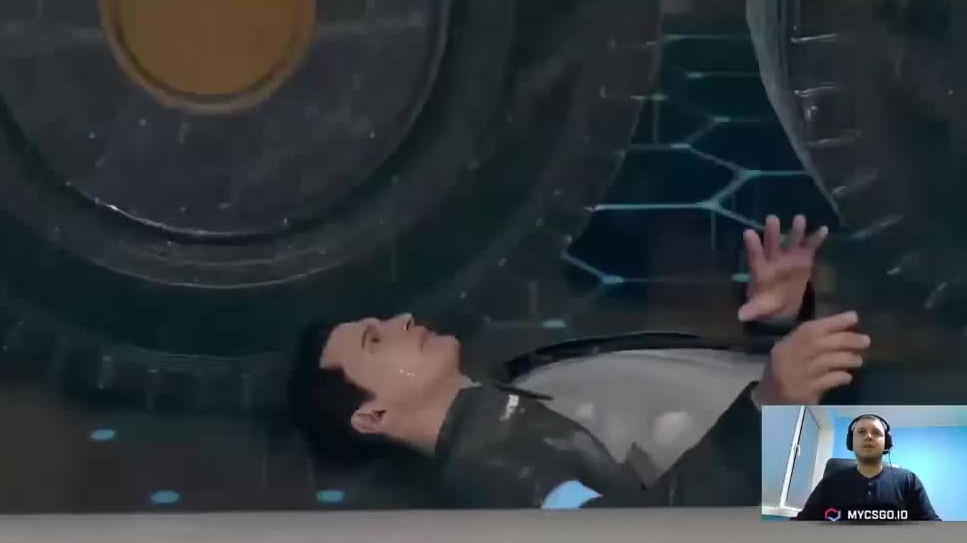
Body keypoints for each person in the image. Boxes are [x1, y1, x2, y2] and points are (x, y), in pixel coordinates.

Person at [287, 214, 869, 508]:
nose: (400, 321)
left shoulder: (519, 387)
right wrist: (770, 407)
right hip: (858, 475)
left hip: (849, 455)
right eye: (374, 341)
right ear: (372, 416)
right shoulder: (499, 474)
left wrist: (787, 322)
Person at [793, 414, 940, 522]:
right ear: (851, 442)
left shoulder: (908, 480)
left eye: (876, 433)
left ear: (886, 443)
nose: (868, 436)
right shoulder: (830, 482)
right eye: (861, 432)